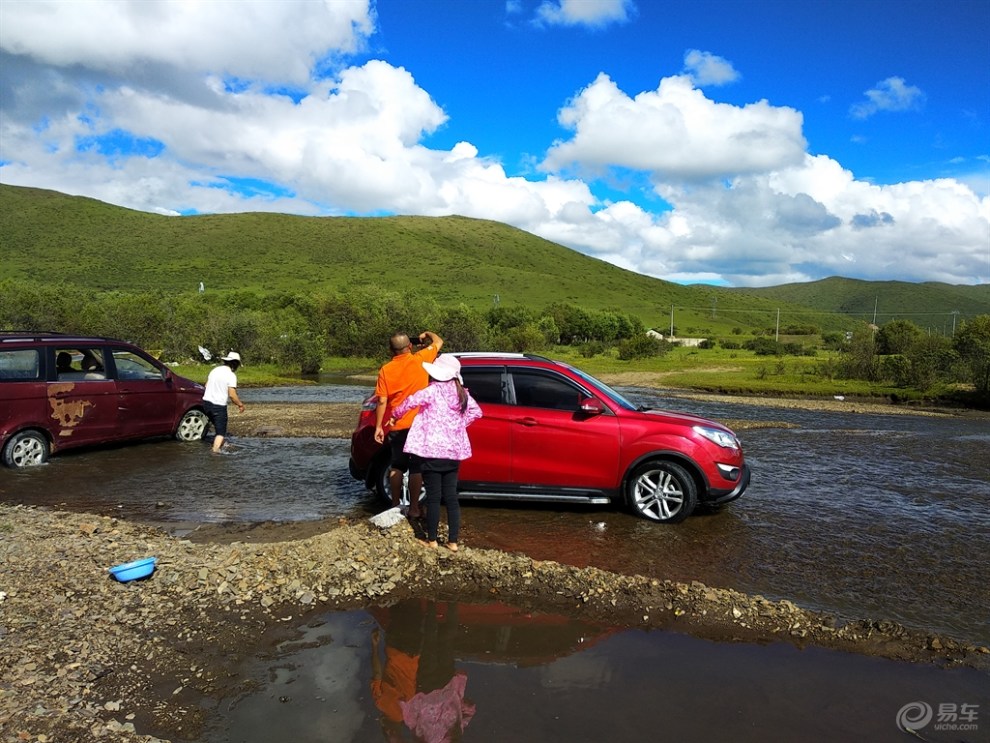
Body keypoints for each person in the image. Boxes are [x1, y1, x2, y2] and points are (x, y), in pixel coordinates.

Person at [390, 355, 481, 551]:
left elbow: (410, 402)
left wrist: (395, 415)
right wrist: (458, 425)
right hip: (454, 453)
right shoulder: (461, 393)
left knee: (433, 497)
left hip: (432, 452)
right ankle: (453, 542)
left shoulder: (432, 391)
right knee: (451, 497)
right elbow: (476, 412)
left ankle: (432, 539)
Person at [374, 330, 443, 519]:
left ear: (391, 350)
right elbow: (439, 341)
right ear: (409, 347)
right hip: (419, 424)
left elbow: (381, 401)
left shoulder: (385, 370)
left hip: (397, 425)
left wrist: (379, 426)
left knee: (397, 466)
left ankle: (395, 505)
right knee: (416, 467)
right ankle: (414, 507)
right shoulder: (421, 359)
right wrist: (427, 334)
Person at [201, 351, 245, 453]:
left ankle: (222, 443)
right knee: (221, 432)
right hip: (218, 406)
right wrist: (240, 405)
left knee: (217, 425)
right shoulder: (231, 375)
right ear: (235, 364)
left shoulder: (215, 370)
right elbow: (232, 395)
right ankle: (215, 454)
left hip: (206, 404)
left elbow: (206, 386)